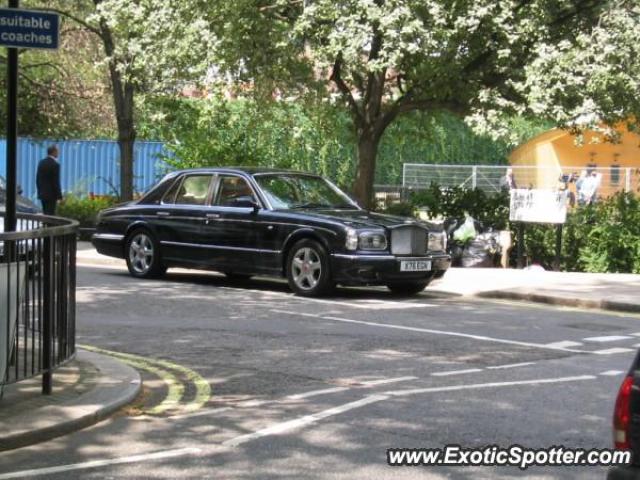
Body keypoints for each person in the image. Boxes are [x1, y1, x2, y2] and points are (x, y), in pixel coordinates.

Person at [36, 145, 62, 215]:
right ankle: (50, 226)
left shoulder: (41, 163)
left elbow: (38, 179)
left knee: (45, 214)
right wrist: (59, 196)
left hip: (42, 194)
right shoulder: (55, 165)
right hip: (52, 195)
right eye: (57, 152)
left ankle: (46, 225)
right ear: (54, 152)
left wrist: (39, 191)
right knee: (51, 214)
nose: (58, 153)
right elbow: (56, 182)